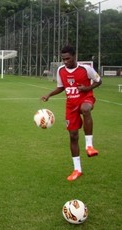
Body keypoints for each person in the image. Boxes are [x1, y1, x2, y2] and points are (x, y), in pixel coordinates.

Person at [41, 45, 102, 181]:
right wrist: (49, 94)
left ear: (74, 56)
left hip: (86, 98)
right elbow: (61, 87)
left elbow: (99, 81)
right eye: (63, 59)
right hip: (71, 105)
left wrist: (87, 88)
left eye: (68, 58)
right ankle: (77, 169)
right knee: (73, 136)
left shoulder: (85, 69)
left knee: (85, 109)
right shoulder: (61, 70)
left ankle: (89, 146)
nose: (65, 61)